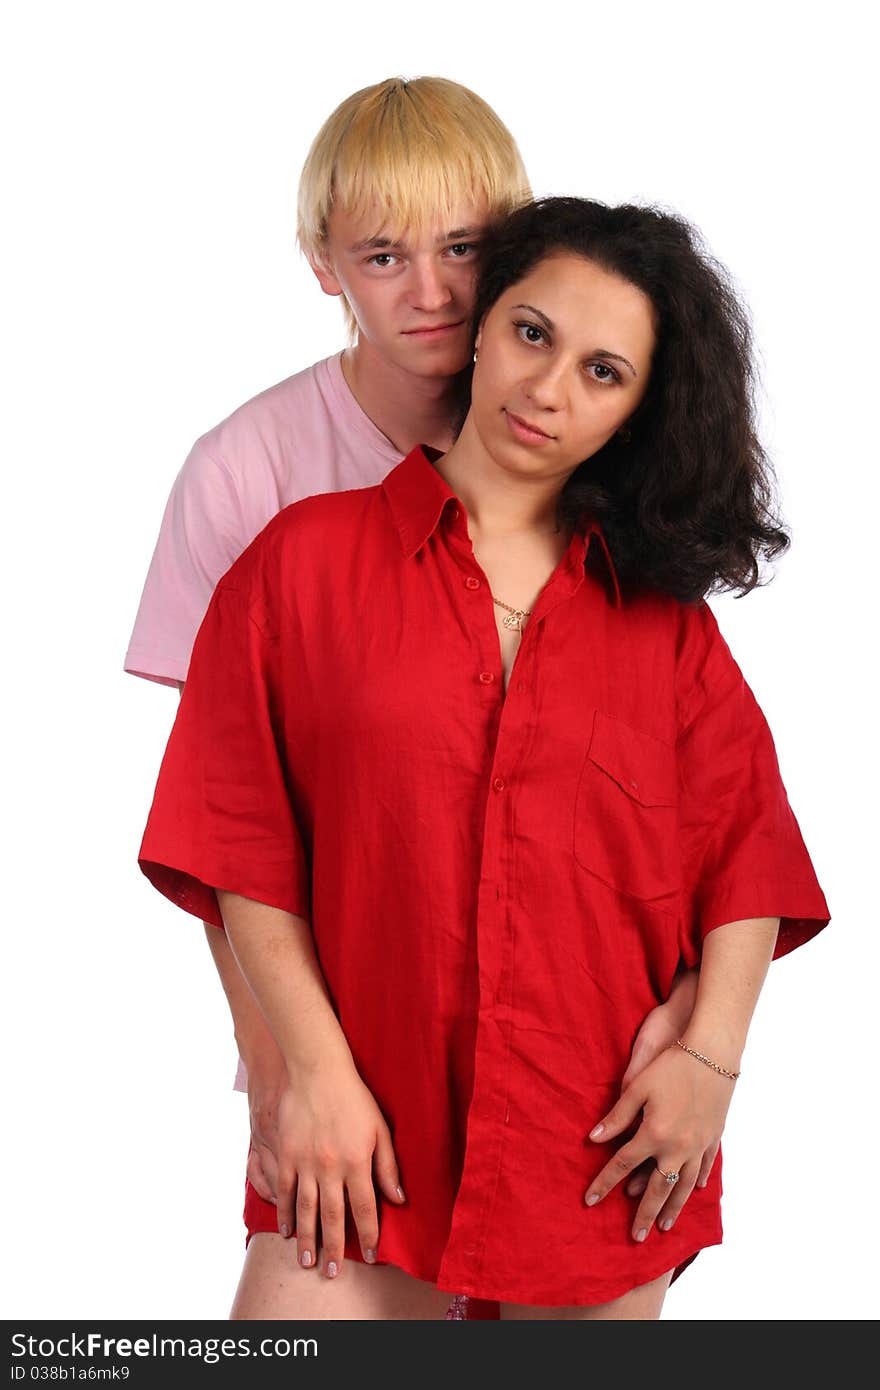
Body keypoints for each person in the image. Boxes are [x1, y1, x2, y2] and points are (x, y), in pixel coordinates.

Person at [137, 194, 830, 1319]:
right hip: (361, 1155)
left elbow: (745, 859)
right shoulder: (299, 565)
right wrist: (309, 1072)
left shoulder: (667, 628)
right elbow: (241, 842)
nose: (548, 389)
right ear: (482, 324)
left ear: (639, 410)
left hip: (600, 1161)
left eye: (604, 372)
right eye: (531, 332)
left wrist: (709, 1064)